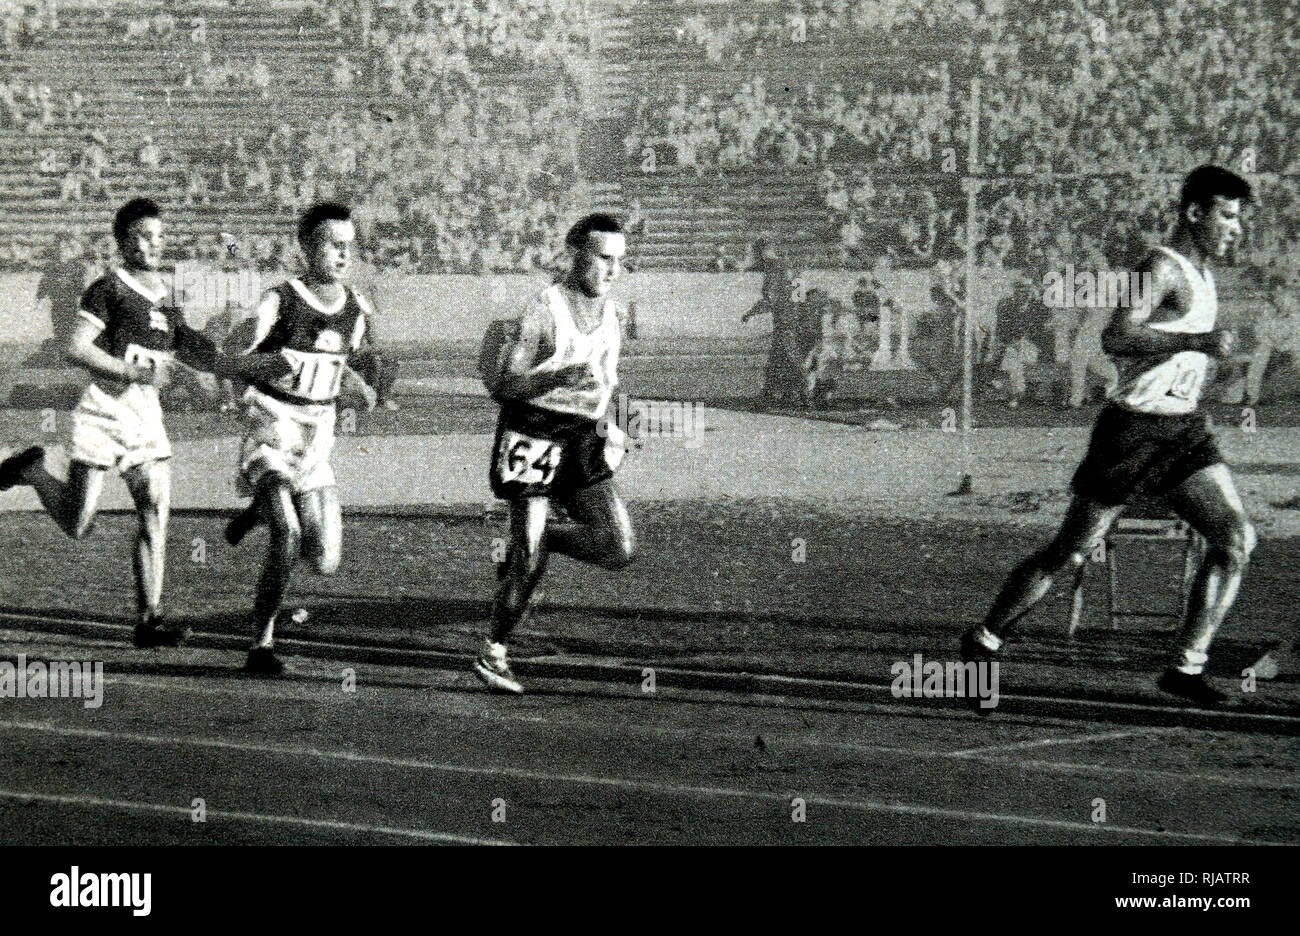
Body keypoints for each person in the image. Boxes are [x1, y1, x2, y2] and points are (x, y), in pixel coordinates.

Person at [962, 165, 1255, 707]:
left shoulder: (1204, 273)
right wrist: (1202, 341)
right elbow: (1117, 336)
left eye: (1239, 219)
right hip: (1132, 433)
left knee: (1235, 538)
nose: (1236, 229)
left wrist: (1210, 356)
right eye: (1228, 216)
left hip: (1183, 430)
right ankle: (985, 638)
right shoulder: (1161, 268)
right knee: (1072, 551)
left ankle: (1186, 668)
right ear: (1195, 213)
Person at [0, 198, 281, 647]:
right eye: (143, 236)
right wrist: (132, 371)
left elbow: (183, 342)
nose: (153, 244)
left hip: (145, 414)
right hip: (102, 410)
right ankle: (32, 470)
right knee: (78, 524)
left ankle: (150, 619)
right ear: (123, 242)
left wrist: (234, 363)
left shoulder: (165, 291)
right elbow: (76, 347)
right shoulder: (107, 288)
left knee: (154, 510)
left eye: (158, 236)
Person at [475, 213, 634, 694]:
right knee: (526, 557)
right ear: (576, 255)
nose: (612, 270)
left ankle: (541, 539)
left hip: (583, 437)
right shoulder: (544, 309)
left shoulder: (615, 313)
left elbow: (611, 380)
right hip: (534, 434)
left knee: (617, 547)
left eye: (619, 261)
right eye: (603, 258)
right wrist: (556, 376)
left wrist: (619, 429)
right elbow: (504, 386)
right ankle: (493, 652)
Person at [223, 202, 378, 674]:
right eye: (333, 245)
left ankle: (259, 510)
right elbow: (231, 357)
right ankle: (261, 647)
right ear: (307, 247)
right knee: (287, 536)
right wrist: (250, 393)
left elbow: (336, 360)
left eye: (349, 246)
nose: (343, 254)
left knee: (325, 559)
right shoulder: (280, 300)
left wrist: (357, 385)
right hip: (272, 427)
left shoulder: (356, 307)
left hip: (316, 438)